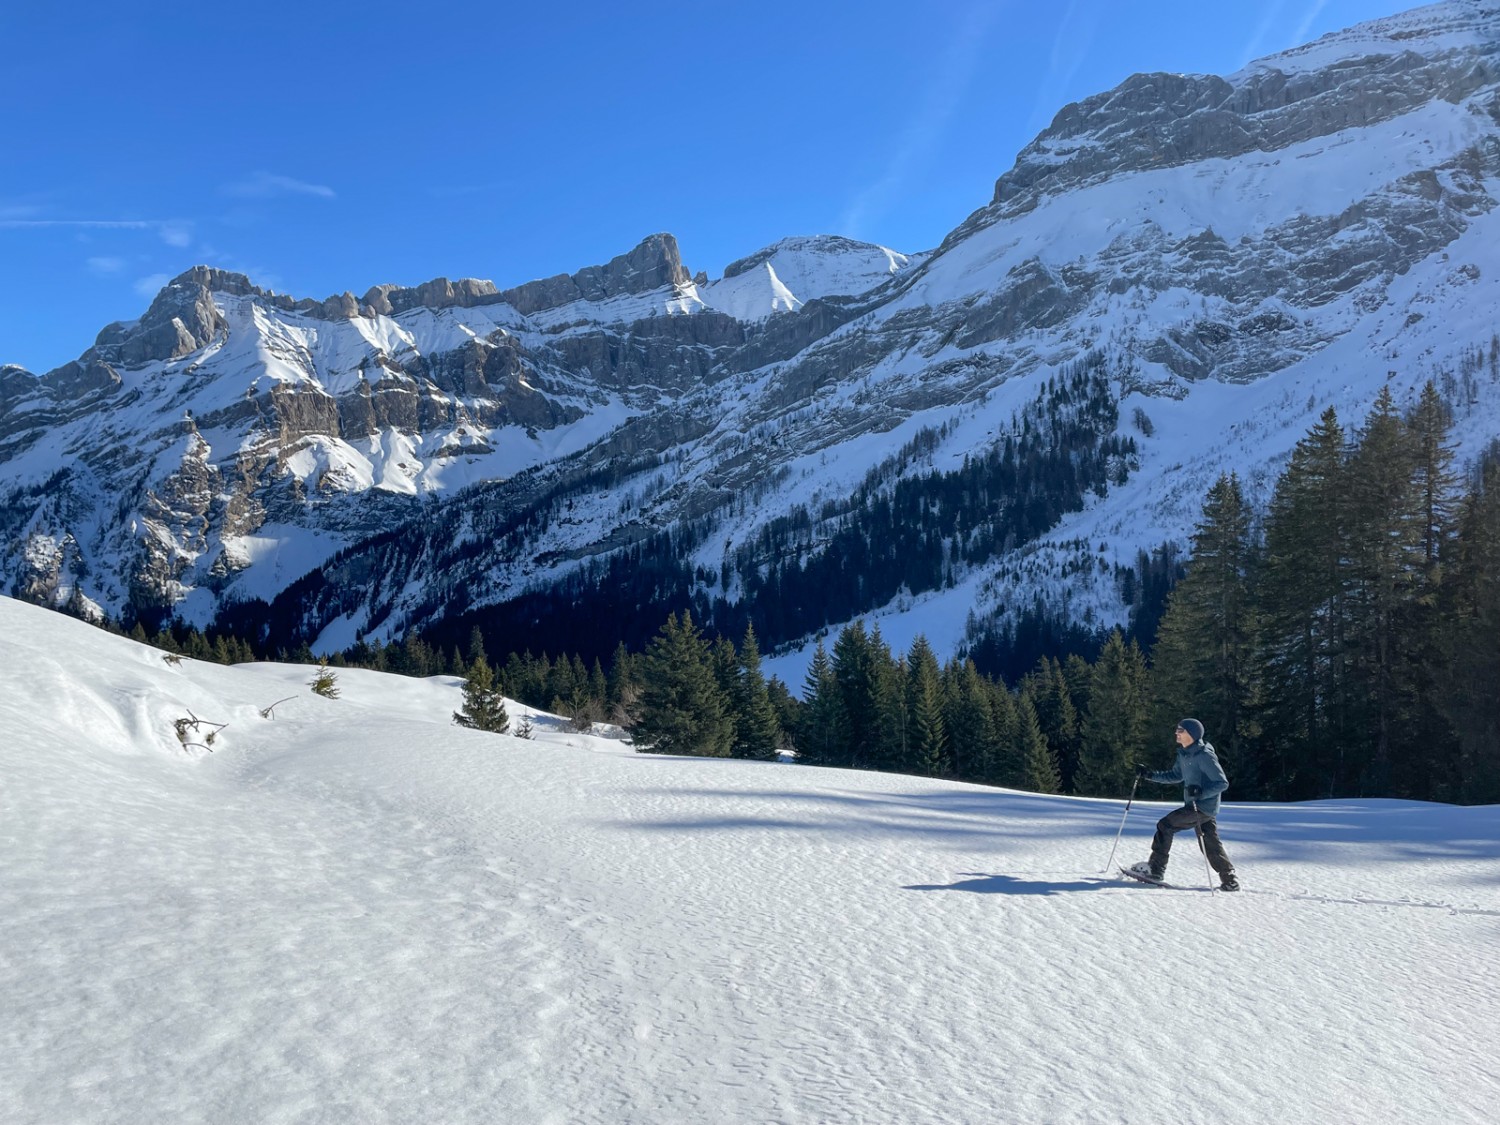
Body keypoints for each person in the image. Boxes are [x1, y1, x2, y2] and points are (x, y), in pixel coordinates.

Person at [1128, 718, 1240, 891]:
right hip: (1196, 806)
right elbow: (1174, 775)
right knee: (1210, 843)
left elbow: (1221, 783)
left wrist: (1201, 792)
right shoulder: (1184, 753)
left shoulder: (1204, 755)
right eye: (1177, 730)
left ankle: (1156, 870)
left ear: (1192, 734)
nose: (1176, 733)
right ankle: (1229, 879)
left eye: (1181, 731)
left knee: (1166, 825)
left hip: (1202, 807)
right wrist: (1149, 774)